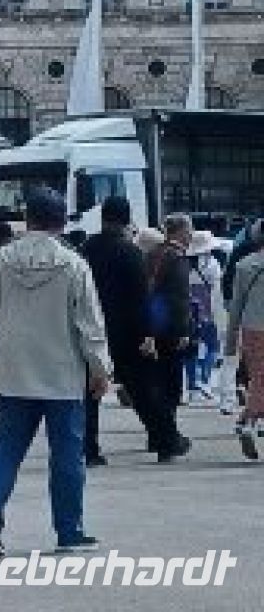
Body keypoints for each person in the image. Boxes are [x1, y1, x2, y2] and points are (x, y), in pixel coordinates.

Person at [0, 187, 110, 558]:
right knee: (67, 453)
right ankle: (69, 531)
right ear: (61, 222)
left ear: (27, 219)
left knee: (6, 448)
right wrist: (100, 370)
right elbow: (90, 326)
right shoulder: (74, 264)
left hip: (12, 370)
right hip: (62, 372)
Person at [80, 195, 171, 466]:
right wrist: (148, 334)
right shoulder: (130, 251)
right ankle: (165, 439)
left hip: (92, 330)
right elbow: (141, 298)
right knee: (144, 389)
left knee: (89, 394)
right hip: (128, 332)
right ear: (127, 218)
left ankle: (89, 449)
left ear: (102, 217)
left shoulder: (86, 248)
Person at [145, 215, 193, 462]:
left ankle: (157, 436)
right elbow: (180, 298)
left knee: (157, 384)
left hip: (152, 326)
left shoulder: (153, 253)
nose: (191, 234)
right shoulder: (177, 258)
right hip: (170, 330)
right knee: (171, 388)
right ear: (180, 232)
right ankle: (167, 439)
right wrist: (184, 330)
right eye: (189, 230)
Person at [223, 231, 264, 460]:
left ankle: (250, 421)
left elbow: (236, 304)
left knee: (258, 377)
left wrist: (230, 342)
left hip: (252, 328)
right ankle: (246, 421)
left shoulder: (244, 265)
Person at [184, 230, 224, 402]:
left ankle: (192, 385)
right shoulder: (213, 264)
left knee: (190, 349)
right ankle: (205, 380)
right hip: (208, 309)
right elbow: (216, 290)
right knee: (212, 346)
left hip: (188, 310)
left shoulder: (184, 263)